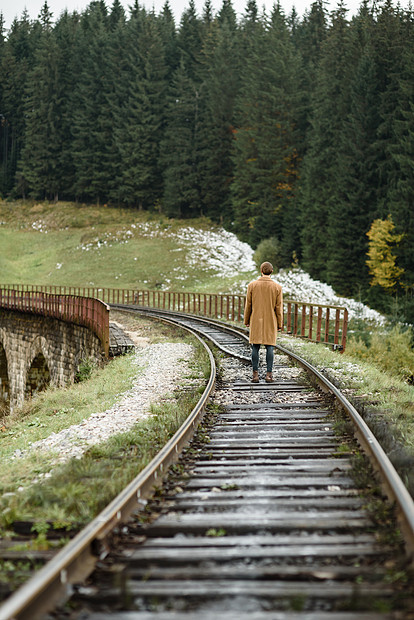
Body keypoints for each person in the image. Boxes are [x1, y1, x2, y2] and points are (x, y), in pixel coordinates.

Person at [244, 261, 283, 383]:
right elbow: (279, 308)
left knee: (255, 347)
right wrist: (280, 323)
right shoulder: (277, 287)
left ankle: (255, 375)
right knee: (269, 347)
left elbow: (248, 305)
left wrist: (246, 320)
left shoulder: (252, 285)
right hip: (271, 320)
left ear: (261, 271)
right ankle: (269, 375)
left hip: (256, 319)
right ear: (272, 272)